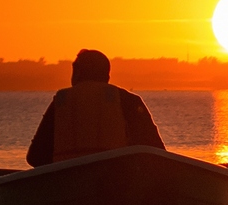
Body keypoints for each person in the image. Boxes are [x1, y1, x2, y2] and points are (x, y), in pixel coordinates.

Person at [25, 49, 166, 166]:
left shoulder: (62, 101)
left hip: (67, 181)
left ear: (78, 72)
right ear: (107, 76)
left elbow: (35, 157)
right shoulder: (129, 100)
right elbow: (157, 151)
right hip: (117, 179)